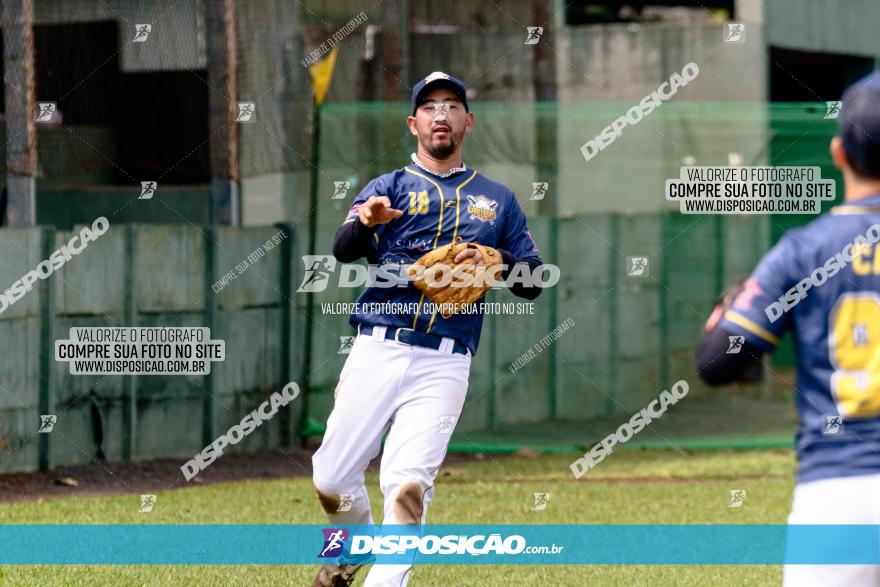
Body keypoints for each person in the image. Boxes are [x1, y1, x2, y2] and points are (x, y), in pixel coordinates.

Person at [311, 71, 544, 586]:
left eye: (452, 105)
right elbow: (343, 251)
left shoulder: (497, 199)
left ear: (468, 121)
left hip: (445, 360)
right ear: (413, 122)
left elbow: (532, 281)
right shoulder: (387, 188)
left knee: (408, 484)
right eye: (431, 106)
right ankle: (352, 549)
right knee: (330, 477)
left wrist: (496, 258)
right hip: (378, 347)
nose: (442, 114)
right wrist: (365, 221)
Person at [696, 71, 880, 586]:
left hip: (839, 495)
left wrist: (726, 317)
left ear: (839, 153)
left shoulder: (803, 251)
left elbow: (718, 361)